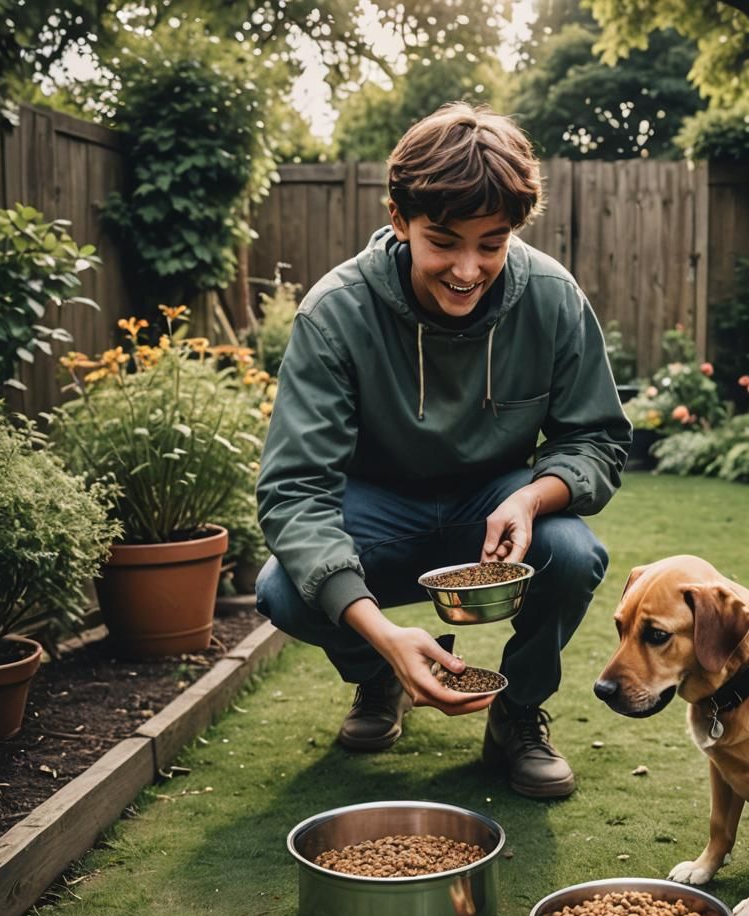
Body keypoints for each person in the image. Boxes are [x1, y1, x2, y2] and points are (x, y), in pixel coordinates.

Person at [255, 102, 631, 799]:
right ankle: (377, 681)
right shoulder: (335, 313)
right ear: (398, 218)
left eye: (491, 244)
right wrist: (382, 635)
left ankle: (517, 714)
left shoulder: (551, 297)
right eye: (445, 241)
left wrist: (530, 496)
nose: (467, 268)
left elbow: (598, 439)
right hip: (375, 512)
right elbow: (295, 493)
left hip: (492, 510)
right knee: (283, 589)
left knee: (576, 554)